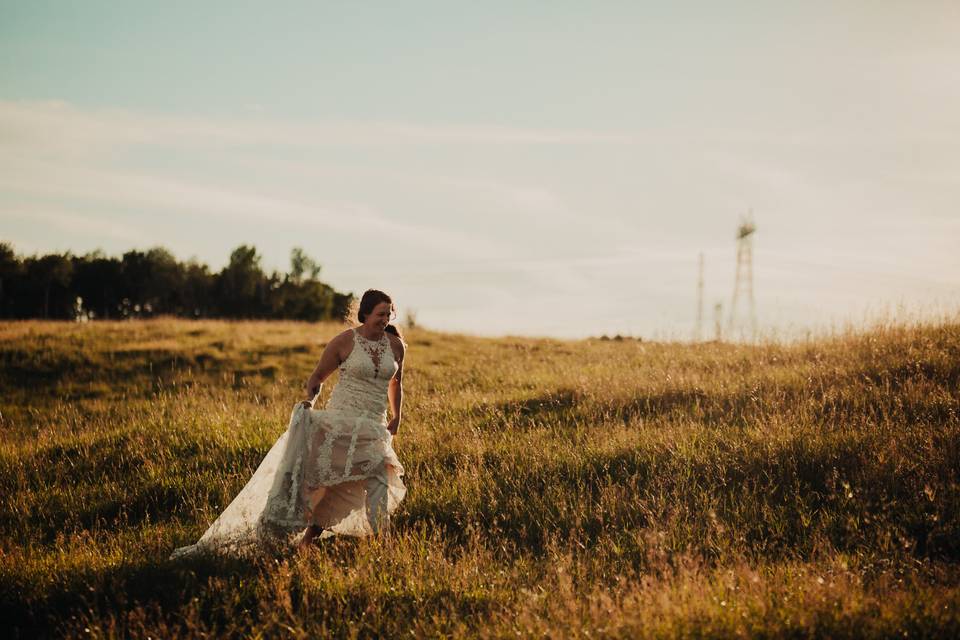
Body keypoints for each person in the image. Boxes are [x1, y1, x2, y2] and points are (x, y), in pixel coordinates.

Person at [170, 289, 406, 558]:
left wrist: (397, 416)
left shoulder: (396, 345)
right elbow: (317, 377)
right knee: (324, 486)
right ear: (365, 314)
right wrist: (311, 401)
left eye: (389, 313)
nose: (385, 319)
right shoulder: (344, 342)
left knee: (378, 479)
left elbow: (396, 383)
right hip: (338, 426)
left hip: (374, 426)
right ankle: (281, 535)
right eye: (380, 314)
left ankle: (385, 544)